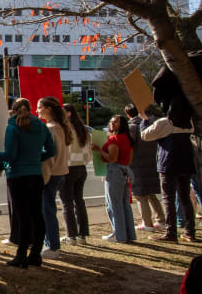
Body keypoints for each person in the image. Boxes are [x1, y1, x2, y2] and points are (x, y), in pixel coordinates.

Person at [0, 98, 56, 268]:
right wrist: (34, 159)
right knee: (37, 216)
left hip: (17, 176)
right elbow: (51, 150)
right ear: (30, 109)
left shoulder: (12, 127)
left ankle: (21, 256)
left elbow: (9, 155)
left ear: (13, 110)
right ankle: (35, 254)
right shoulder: (41, 126)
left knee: (23, 217)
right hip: (35, 175)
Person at [140, 110, 196, 242]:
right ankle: (190, 231)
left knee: (168, 199)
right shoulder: (190, 121)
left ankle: (171, 232)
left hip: (169, 163)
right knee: (185, 198)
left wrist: (145, 121)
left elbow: (145, 135)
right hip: (186, 163)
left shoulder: (164, 122)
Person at [37, 96, 71, 258]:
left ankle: (52, 246)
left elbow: (49, 157)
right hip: (60, 172)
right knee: (48, 209)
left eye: (39, 107)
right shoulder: (61, 127)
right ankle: (50, 243)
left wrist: (43, 178)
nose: (37, 111)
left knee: (47, 211)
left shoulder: (50, 129)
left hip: (51, 174)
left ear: (48, 109)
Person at [97, 114, 137, 243]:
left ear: (122, 124)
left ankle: (119, 234)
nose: (112, 124)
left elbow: (112, 158)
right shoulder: (128, 138)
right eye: (111, 121)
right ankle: (129, 234)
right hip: (125, 170)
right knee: (125, 203)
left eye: (116, 122)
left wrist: (99, 150)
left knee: (114, 204)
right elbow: (130, 159)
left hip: (114, 171)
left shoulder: (114, 139)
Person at [126, 104, 165, 231]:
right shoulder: (151, 125)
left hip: (137, 163)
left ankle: (147, 223)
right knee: (151, 194)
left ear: (128, 114)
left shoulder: (132, 127)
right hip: (151, 161)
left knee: (140, 195)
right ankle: (161, 220)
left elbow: (129, 145)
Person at [59, 103, 92, 245]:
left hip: (68, 167)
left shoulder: (65, 129)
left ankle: (71, 235)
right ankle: (82, 235)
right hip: (81, 168)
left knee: (66, 203)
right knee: (79, 201)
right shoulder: (83, 129)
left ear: (68, 113)